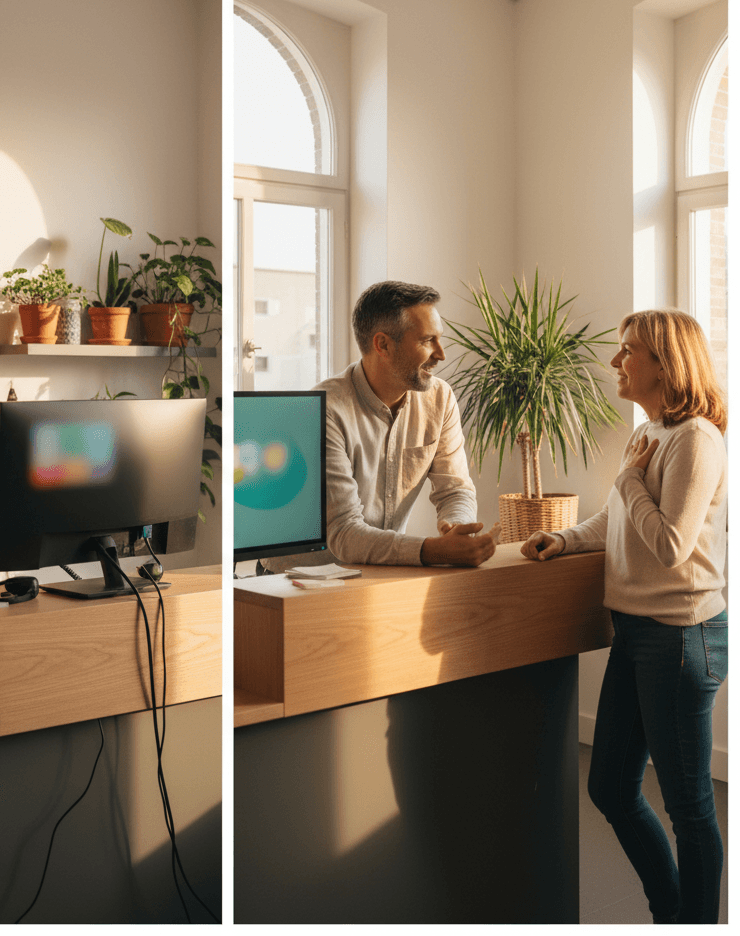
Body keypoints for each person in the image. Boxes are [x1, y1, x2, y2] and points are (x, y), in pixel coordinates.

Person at [521, 308, 727, 924]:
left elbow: (668, 544)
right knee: (609, 787)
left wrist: (632, 480)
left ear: (665, 363)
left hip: (681, 637)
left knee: (689, 806)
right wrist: (566, 538)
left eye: (628, 350)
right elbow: (619, 518)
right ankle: (670, 910)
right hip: (636, 633)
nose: (615, 361)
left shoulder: (695, 438)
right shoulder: (653, 434)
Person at [268, 280, 498, 570]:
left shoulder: (440, 399)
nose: (441, 354)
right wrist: (434, 551)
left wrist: (458, 530)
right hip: (297, 582)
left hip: (378, 572)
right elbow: (344, 532)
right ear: (383, 345)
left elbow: (455, 490)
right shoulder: (323, 410)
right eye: (428, 340)